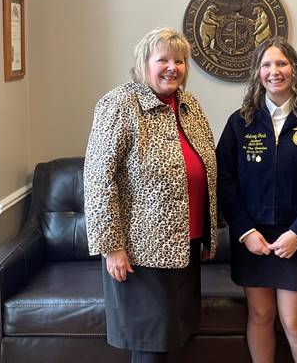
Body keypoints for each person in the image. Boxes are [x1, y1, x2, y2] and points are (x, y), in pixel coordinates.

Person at [84, 27, 217, 363]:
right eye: (163, 60)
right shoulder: (120, 104)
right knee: (151, 347)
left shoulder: (188, 104)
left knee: (175, 340)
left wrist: (208, 231)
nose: (173, 67)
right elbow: (98, 179)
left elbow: (205, 164)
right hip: (141, 252)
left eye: (180, 60)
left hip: (185, 244)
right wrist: (111, 247)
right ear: (145, 63)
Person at [216, 36, 297, 363]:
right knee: (260, 316)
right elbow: (224, 179)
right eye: (267, 65)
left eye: (282, 63)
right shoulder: (239, 123)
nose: (275, 71)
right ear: (257, 73)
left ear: (294, 69)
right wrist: (245, 231)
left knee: (294, 323)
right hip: (252, 238)